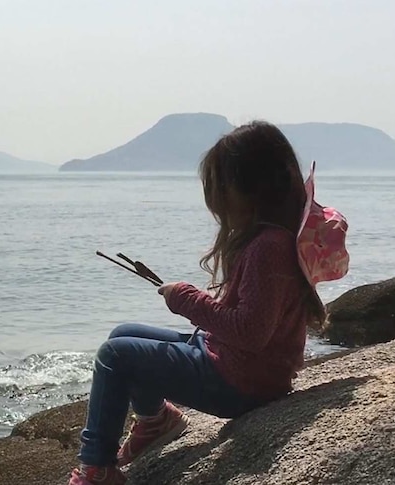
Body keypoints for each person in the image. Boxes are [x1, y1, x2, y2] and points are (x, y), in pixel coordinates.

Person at [68, 120, 349, 485]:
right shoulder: (277, 240)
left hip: (241, 383)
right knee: (124, 334)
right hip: (243, 367)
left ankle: (97, 468)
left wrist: (186, 298)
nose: (215, 201)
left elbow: (250, 333)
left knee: (115, 355)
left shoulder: (268, 248)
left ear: (251, 189)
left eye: (220, 189)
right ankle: (156, 422)